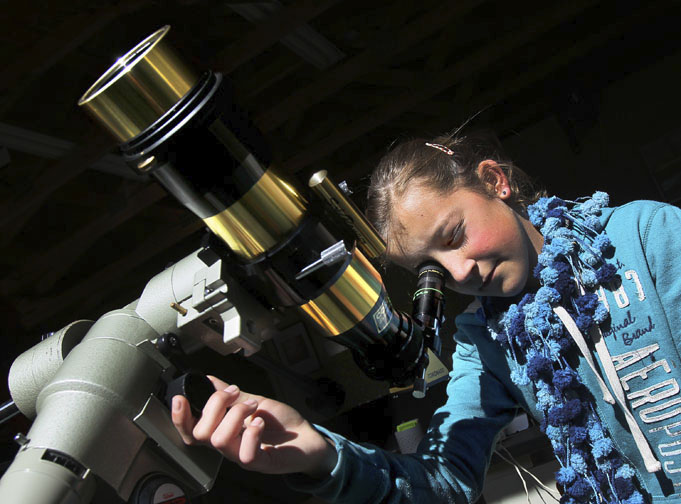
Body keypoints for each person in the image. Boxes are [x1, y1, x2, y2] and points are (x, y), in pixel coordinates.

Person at [172, 130, 681, 503]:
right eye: (430, 271)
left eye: (455, 234)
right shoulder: (484, 341)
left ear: (495, 181)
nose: (461, 271)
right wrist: (322, 453)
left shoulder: (644, 235)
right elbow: (444, 481)